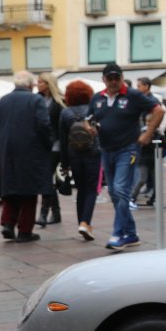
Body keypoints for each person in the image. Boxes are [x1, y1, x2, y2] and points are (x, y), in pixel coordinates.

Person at [90, 61, 164, 250]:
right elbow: (89, 119)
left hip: (128, 148)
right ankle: (130, 234)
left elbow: (159, 110)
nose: (113, 81)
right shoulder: (97, 98)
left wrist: (148, 133)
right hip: (106, 149)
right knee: (114, 192)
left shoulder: (133, 95)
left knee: (120, 189)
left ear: (122, 78)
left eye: (117, 78)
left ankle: (118, 233)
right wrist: (90, 128)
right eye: (110, 78)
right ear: (104, 79)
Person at [0, 72, 53, 242]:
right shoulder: (36, 100)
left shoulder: (2, 101)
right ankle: (25, 230)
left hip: (6, 151)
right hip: (31, 151)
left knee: (10, 189)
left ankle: (7, 224)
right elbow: (43, 125)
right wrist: (48, 144)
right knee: (29, 191)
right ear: (30, 85)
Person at [58, 80, 102, 241]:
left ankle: (81, 223)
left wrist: (64, 164)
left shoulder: (65, 113)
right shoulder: (93, 109)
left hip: (74, 154)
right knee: (92, 189)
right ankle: (85, 222)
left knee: (81, 189)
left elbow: (63, 140)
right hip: (93, 153)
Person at [34, 74, 63, 227]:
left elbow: (62, 125)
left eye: (40, 82)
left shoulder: (59, 101)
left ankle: (43, 214)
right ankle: (56, 213)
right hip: (41, 145)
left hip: (55, 145)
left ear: (48, 83)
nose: (37, 84)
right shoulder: (36, 99)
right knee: (47, 179)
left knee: (46, 178)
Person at [132, 78, 159, 206]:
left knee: (145, 175)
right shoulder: (144, 99)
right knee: (150, 174)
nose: (137, 88)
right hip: (146, 140)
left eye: (139, 86)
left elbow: (153, 118)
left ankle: (132, 198)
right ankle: (153, 197)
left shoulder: (151, 101)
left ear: (146, 86)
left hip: (147, 140)